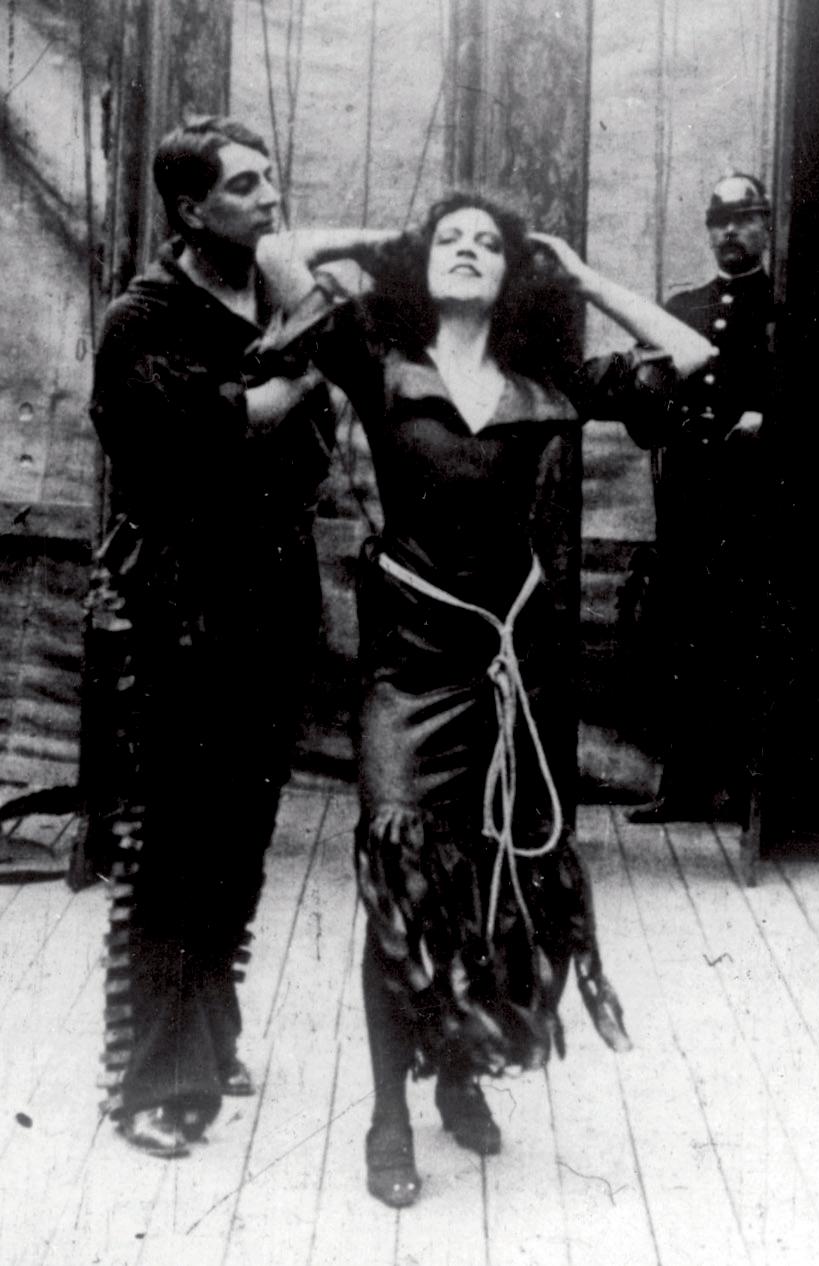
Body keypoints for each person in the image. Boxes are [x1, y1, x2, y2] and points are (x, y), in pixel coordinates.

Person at [256, 192, 715, 1207]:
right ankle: (388, 1115)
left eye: (489, 244)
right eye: (450, 241)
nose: (468, 252)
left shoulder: (548, 382)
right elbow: (280, 254)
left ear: (514, 274)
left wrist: (582, 275)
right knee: (399, 886)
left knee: (495, 886)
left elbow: (689, 356)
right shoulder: (378, 361)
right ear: (424, 263)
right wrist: (383, 241)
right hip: (408, 673)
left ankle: (459, 1075)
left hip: (511, 672)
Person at [88, 117, 336, 1157]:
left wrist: (296, 360)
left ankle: (210, 1035)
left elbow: (304, 426)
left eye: (272, 176)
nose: (270, 196)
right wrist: (298, 379)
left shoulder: (269, 294)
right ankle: (149, 1080)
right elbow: (219, 426)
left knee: (240, 835)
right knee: (174, 844)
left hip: (272, 593)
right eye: (244, 185)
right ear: (191, 209)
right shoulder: (143, 317)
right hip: (180, 601)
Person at [627, 172, 775, 825]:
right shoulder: (680, 308)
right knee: (683, 636)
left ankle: (750, 790)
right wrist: (670, 419)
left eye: (744, 217)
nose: (730, 230)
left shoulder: (784, 308)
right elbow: (647, 398)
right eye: (719, 221)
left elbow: (817, 398)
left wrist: (768, 419)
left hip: (758, 501)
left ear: (766, 225)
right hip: (690, 498)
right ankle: (682, 786)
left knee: (751, 637)